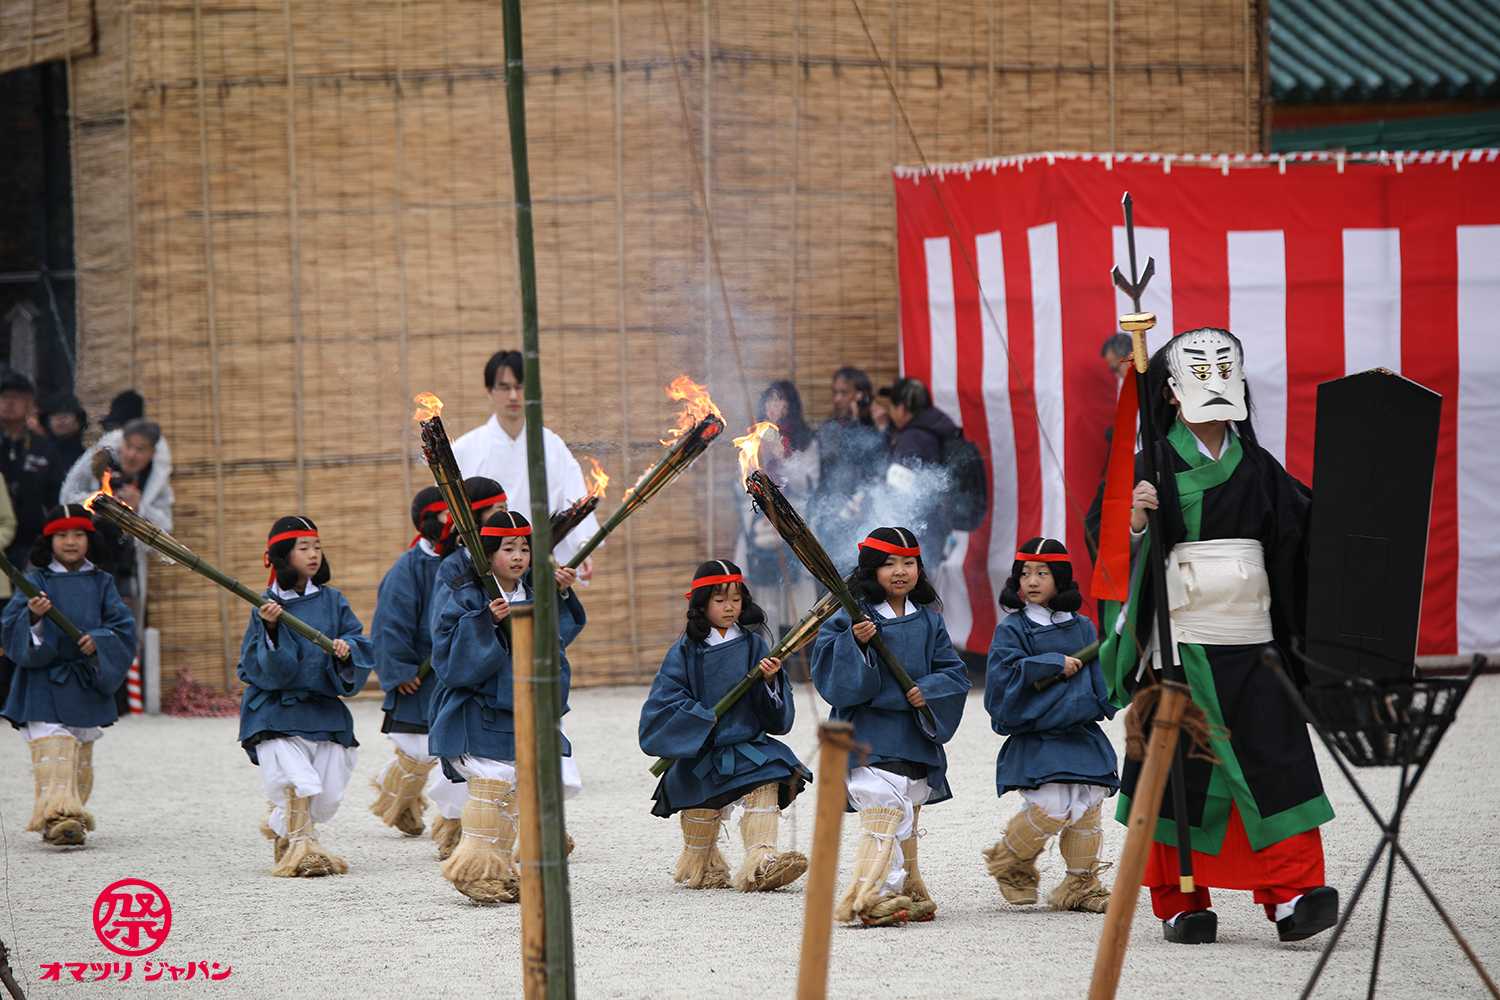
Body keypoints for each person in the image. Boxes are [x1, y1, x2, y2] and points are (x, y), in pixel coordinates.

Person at [1101, 327, 1337, 946]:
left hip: (1254, 643)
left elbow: (1304, 537)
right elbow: (1112, 555)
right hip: (1181, 639)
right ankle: (1180, 901)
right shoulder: (1148, 465)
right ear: (1173, 395)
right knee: (1178, 771)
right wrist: (1134, 520)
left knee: (1275, 762)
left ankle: (1292, 896)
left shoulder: (1258, 465)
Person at [810, 526, 971, 926]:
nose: (901, 571)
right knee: (882, 808)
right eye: (889, 564)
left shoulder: (930, 621)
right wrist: (857, 643)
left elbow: (953, 672)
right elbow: (829, 676)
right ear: (870, 571)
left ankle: (903, 891)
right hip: (867, 734)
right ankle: (871, 896)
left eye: (909, 563)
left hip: (914, 738)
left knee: (906, 815)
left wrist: (926, 691)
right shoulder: (850, 617)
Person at [427, 510, 584, 903]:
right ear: (488, 554)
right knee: (492, 780)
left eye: (525, 548)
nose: (519, 557)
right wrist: (485, 622)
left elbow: (557, 644)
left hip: (523, 710)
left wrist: (560, 594)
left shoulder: (536, 592)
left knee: (516, 788)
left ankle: (500, 871)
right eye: (508, 549)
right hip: (476, 710)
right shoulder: (466, 594)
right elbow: (446, 658)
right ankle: (475, 871)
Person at [638, 560, 810, 892]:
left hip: (748, 744)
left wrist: (770, 681)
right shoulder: (684, 651)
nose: (730, 607)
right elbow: (665, 700)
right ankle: (703, 863)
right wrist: (700, 717)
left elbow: (776, 712)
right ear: (701, 603)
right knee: (701, 814)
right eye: (720, 600)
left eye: (736, 598)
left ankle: (763, 861)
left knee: (767, 781)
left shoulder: (755, 644)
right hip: (703, 749)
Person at [982, 538, 1118, 913]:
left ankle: (1080, 885)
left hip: (1081, 732)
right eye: (1024, 573)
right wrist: (1050, 663)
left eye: (1042, 573)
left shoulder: (1085, 626)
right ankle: (1009, 860)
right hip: (1040, 736)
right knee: (1052, 806)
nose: (1032, 581)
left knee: (1089, 804)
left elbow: (1102, 680)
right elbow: (1001, 683)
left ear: (1060, 579)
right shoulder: (1013, 629)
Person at [236, 517, 373, 877]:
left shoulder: (333, 600)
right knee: (299, 780)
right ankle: (304, 848)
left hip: (323, 709)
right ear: (283, 556)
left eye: (317, 546)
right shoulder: (264, 606)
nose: (314, 555)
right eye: (304, 548)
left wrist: (346, 650)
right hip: (275, 712)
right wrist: (270, 628)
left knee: (327, 796)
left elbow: (359, 640)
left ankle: (283, 825)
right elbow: (260, 669)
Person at [2, 506, 134, 848]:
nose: (71, 542)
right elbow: (9, 628)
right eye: (61, 535)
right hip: (42, 684)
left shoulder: (103, 582)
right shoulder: (34, 581)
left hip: (84, 683)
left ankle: (69, 818)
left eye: (78, 534)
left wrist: (99, 642)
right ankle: (58, 817)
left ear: (90, 539)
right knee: (55, 752)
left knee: (79, 760)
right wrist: (34, 619)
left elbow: (122, 629)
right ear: (49, 541)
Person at [368, 486, 469, 844]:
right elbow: (389, 623)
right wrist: (398, 670)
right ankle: (399, 798)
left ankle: (452, 827)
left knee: (454, 751)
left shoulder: (465, 559)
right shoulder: (408, 567)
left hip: (453, 668)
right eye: (447, 515)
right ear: (428, 521)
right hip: (419, 674)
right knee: (417, 748)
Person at [450, 351, 600, 577]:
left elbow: (574, 495)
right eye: (504, 387)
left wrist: (582, 546)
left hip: (540, 563)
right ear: (489, 392)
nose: (513, 396)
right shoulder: (465, 449)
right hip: (484, 571)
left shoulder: (551, 445)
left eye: (520, 387)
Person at [62, 418, 174, 643]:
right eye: (128, 445)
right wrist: (101, 504)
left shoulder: (153, 478)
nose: (131, 454)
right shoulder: (101, 461)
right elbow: (67, 498)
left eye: (140, 449)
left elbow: (166, 527)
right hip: (88, 560)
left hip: (125, 568)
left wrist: (141, 506)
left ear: (152, 453)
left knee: (121, 630)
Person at [735, 381, 819, 636]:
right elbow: (741, 487)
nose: (772, 405)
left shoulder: (806, 441)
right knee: (766, 605)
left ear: (791, 405)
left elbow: (807, 486)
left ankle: (800, 662)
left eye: (779, 399)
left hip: (794, 527)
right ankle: (769, 655)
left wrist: (783, 456)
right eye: (768, 399)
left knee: (798, 606)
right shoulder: (753, 439)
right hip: (761, 527)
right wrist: (759, 459)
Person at [0, 370, 64, 570]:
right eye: (4, 396)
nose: (9, 402)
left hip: (31, 545)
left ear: (30, 404)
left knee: (31, 598)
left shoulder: (44, 449)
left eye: (17, 397)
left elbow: (55, 497)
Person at [813, 367, 886, 535]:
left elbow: (879, 466)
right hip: (831, 516)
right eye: (835, 392)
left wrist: (880, 429)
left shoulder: (877, 427)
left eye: (844, 393)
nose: (837, 399)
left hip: (864, 517)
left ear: (862, 395)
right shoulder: (828, 428)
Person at [38, 391, 88, 471]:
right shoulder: (39, 456)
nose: (60, 417)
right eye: (54, 413)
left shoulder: (86, 459)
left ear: (78, 422)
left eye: (67, 412)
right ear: (47, 422)